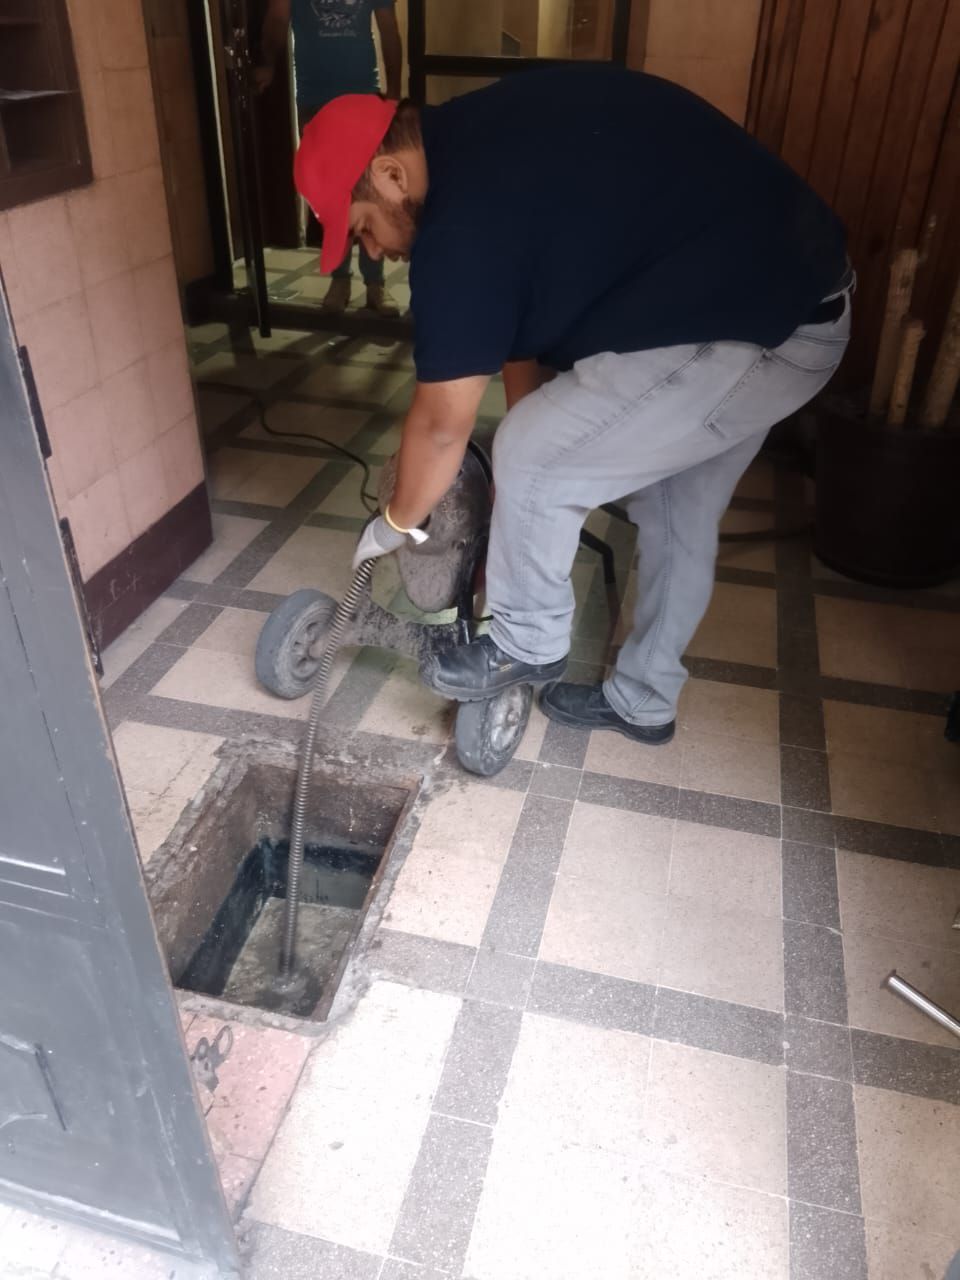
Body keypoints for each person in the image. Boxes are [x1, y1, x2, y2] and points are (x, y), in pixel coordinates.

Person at [294, 68, 851, 744]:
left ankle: (525, 644)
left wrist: (395, 522)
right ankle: (644, 700)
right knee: (675, 506)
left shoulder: (460, 225)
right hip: (791, 298)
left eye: (362, 232)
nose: (375, 252)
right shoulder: (478, 143)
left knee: (534, 448)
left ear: (389, 176)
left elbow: (442, 425)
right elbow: (517, 348)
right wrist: (515, 495)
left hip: (759, 327)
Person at [256, 0, 402, 315]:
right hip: (315, 101)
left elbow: (389, 29)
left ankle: (375, 285)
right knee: (331, 197)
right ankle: (340, 279)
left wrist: (394, 93)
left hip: (362, 97)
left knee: (368, 193)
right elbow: (277, 19)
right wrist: (266, 63)